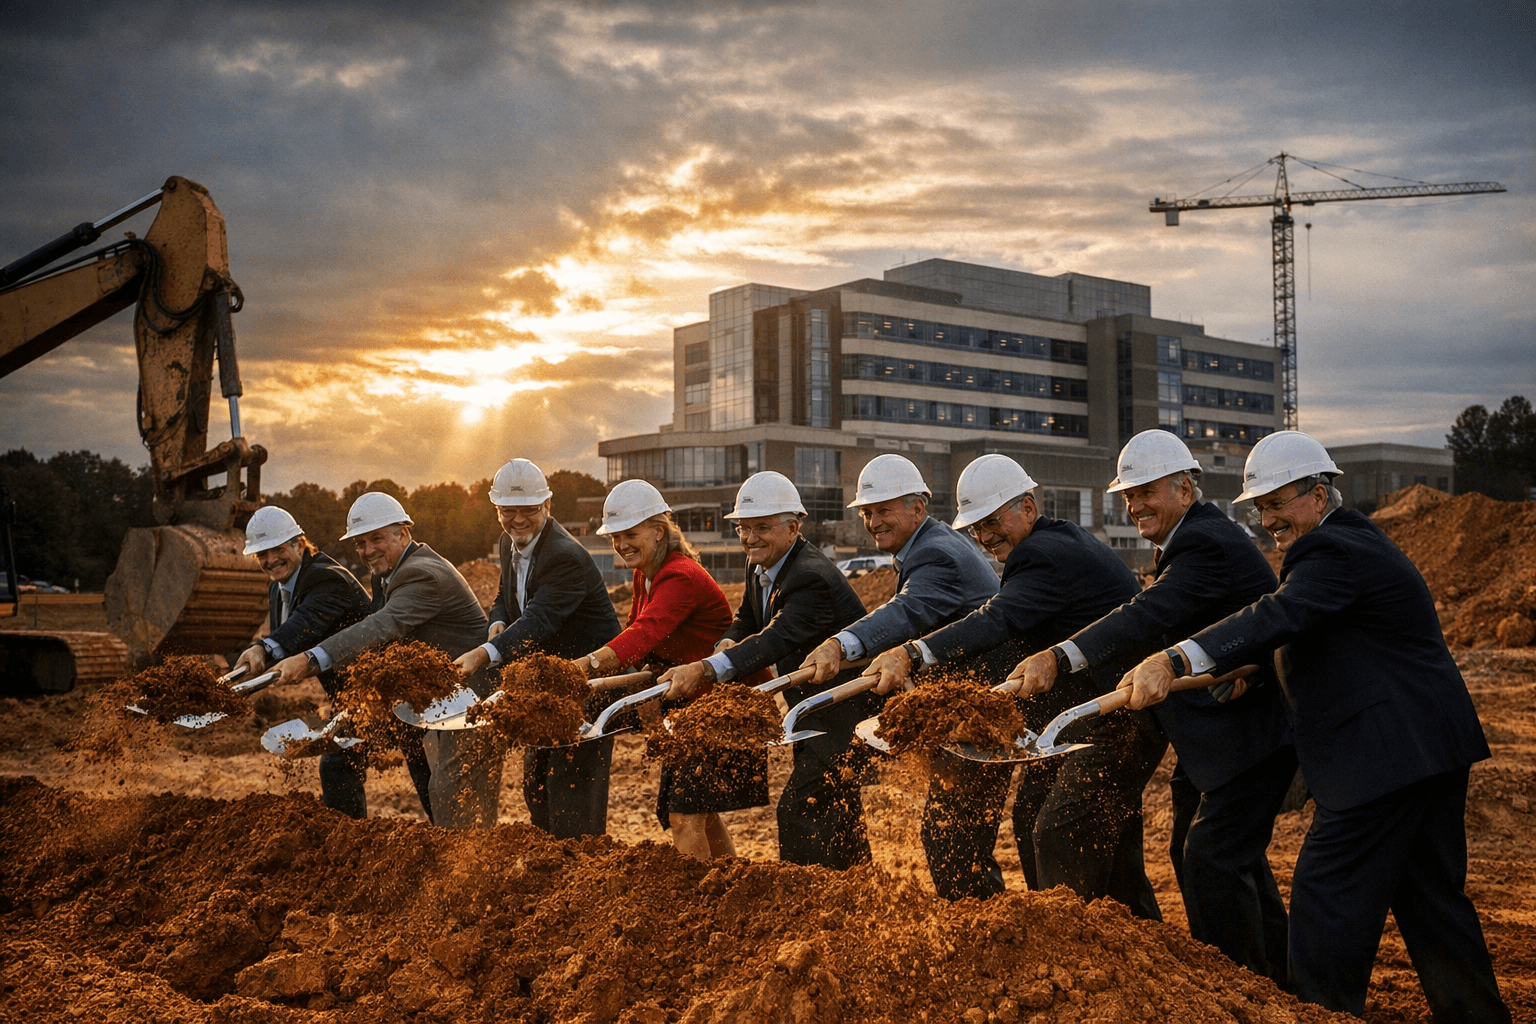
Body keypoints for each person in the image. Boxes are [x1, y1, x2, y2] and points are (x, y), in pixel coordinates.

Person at [1119, 431, 1510, 1022]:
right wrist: (1256, 673)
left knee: (1326, 902)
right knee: (1434, 905)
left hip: (1380, 759)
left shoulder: (1330, 550)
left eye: (1279, 503)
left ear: (1320, 494)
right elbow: (1325, 635)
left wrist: (1174, 659)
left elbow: (1278, 613)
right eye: (1261, 507)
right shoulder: (1354, 543)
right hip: (1428, 748)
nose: (1268, 520)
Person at [1008, 429, 1295, 983]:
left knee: (1210, 858)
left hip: (1247, 734)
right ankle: (1273, 978)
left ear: (1185, 489)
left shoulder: (1204, 542)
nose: (1135, 505)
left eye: (1146, 492)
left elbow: (1146, 613)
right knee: (1215, 854)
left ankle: (1240, 984)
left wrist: (1060, 656)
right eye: (1129, 495)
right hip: (1221, 732)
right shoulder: (1192, 539)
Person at [861, 454, 1161, 917]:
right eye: (976, 528)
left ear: (1027, 507)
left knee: (1059, 832)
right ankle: (1122, 935)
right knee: (1053, 825)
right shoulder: (1055, 542)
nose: (984, 537)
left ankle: (1072, 940)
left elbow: (995, 620)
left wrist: (912, 654)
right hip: (1082, 718)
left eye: (992, 522)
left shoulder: (1042, 554)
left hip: (1115, 722)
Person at [799, 453, 999, 899]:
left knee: (954, 837)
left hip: (977, 711)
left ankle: (980, 924)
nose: (873, 522)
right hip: (961, 706)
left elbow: (907, 610)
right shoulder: (930, 544)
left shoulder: (935, 553)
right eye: (867, 512)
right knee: (952, 836)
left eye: (883, 510)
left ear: (918, 508)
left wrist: (840, 645)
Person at [657, 472, 869, 868]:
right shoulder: (762, 564)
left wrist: (707, 668)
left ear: (792, 528)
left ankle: (806, 891)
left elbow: (775, 638)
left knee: (802, 807)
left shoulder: (810, 577)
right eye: (743, 528)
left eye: (761, 527)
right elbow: (748, 618)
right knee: (835, 804)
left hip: (844, 711)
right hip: (811, 707)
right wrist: (726, 641)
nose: (749, 537)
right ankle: (855, 884)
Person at [271, 492, 501, 829]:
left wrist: (310, 659)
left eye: (376, 539)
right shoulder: (386, 574)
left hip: (468, 703)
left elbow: (382, 625)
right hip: (432, 700)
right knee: (418, 782)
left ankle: (476, 857)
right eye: (360, 544)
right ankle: (357, 843)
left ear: (403, 533)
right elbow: (381, 643)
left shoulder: (422, 573)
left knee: (453, 797)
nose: (367, 551)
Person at [451, 459, 622, 838]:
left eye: (528, 509)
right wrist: (497, 622)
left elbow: (538, 621)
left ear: (547, 505)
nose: (517, 520)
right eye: (507, 511)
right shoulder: (508, 542)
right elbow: (504, 594)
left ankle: (579, 866)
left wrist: (483, 653)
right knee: (538, 787)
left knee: (572, 796)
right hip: (546, 689)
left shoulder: (564, 556)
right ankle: (550, 865)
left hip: (585, 688)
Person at [582, 479, 738, 860]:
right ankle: (729, 879)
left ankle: (700, 893)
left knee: (685, 815)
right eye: (615, 536)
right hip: (689, 702)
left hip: (720, 705)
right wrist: (597, 682)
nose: (621, 544)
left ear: (658, 531)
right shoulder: (646, 573)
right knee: (700, 812)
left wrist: (584, 666)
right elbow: (637, 641)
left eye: (630, 534)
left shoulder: (680, 575)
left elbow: (642, 635)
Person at [233, 505, 373, 817]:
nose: (271, 560)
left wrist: (263, 648)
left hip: (377, 689)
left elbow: (304, 623)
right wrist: (253, 663)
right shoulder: (278, 587)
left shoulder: (326, 577)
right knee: (339, 765)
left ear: (299, 543)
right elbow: (289, 640)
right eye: (262, 554)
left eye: (278, 550)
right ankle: (349, 835)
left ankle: (349, 836)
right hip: (345, 695)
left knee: (337, 762)